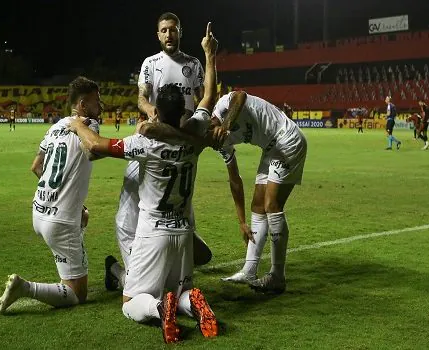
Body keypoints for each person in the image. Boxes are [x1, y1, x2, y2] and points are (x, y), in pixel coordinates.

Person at [68, 23, 220, 344]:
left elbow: (96, 145)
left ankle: (156, 308)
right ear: (182, 110)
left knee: (131, 302)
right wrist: (210, 54)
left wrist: (76, 124)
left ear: (156, 113)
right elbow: (208, 95)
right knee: (177, 290)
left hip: (154, 231)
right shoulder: (196, 135)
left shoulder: (145, 143)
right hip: (183, 230)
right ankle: (189, 301)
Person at [106, 12, 210, 293]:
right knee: (147, 202)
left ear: (180, 32)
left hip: (176, 142)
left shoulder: (193, 64)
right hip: (156, 141)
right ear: (158, 35)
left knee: (172, 203)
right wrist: (151, 110)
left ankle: (143, 276)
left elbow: (202, 97)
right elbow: (142, 96)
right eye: (163, 30)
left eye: (173, 30)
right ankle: (150, 267)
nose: (168, 35)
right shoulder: (150, 64)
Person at [0, 77, 101, 315]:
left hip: (39, 211)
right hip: (60, 222)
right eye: (97, 101)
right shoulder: (88, 124)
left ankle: (74, 230)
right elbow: (93, 150)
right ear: (83, 104)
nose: (100, 106)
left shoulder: (55, 126)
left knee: (81, 218)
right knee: (76, 293)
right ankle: (25, 288)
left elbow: (36, 166)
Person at [192, 91, 308, 294]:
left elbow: (240, 96)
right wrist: (241, 221)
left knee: (272, 205)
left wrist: (225, 127)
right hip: (270, 148)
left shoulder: (222, 106)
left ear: (210, 124)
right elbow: (235, 181)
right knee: (257, 206)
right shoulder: (219, 144)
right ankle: (249, 270)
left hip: (287, 139)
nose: (209, 144)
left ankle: (277, 276)